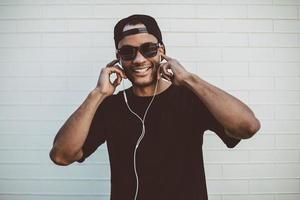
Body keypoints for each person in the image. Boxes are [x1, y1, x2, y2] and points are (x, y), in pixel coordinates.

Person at [50, 14, 260, 200]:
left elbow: (247, 126)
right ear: (118, 59)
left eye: (148, 49)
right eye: (128, 52)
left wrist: (189, 79)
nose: (139, 59)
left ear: (162, 51)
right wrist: (97, 94)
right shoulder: (110, 107)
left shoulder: (191, 98)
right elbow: (62, 156)